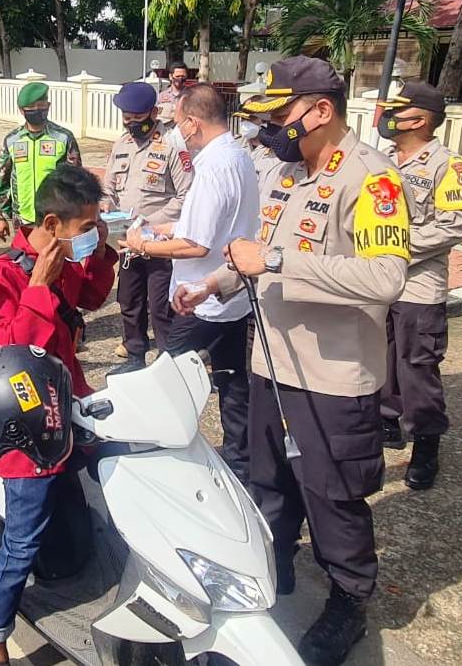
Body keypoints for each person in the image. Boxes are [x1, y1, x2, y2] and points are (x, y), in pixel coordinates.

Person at [176, 56, 410, 666]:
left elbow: (386, 278)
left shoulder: (372, 179)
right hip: (270, 363)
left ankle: (348, 601)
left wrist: (276, 263)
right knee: (269, 482)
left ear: (321, 110)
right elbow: (258, 254)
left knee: (333, 496)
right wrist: (213, 284)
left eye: (281, 116)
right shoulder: (284, 174)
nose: (271, 129)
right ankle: (274, 564)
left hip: (331, 377)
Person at [0, 163, 117, 666]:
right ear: (52, 225)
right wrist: (37, 286)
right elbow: (6, 355)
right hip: (27, 425)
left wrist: (100, 252)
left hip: (70, 404)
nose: (91, 235)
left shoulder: (67, 261)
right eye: (86, 227)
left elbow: (92, 298)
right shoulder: (3, 273)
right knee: (22, 539)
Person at [122, 84, 257, 480]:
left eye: (179, 122)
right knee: (232, 381)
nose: (176, 130)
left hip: (203, 297)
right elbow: (211, 224)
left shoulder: (213, 167)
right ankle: (240, 461)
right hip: (231, 292)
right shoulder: (238, 155)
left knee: (167, 378)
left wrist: (144, 245)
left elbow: (197, 245)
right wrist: (164, 228)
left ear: (193, 123)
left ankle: (161, 456)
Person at [375, 81, 462, 489]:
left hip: (418, 284)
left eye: (396, 111)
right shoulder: (382, 159)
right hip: (379, 280)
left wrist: (392, 247)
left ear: (419, 120)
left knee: (417, 368)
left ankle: (426, 443)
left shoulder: (447, 166)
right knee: (380, 357)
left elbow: (453, 227)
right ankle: (386, 422)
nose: (387, 117)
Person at [101, 81, 192, 373]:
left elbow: (186, 195)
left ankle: (168, 363)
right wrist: (105, 204)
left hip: (160, 243)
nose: (130, 122)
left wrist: (151, 223)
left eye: (137, 117)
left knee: (161, 306)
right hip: (128, 242)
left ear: (153, 112)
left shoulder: (173, 145)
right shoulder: (121, 145)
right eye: (126, 116)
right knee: (129, 301)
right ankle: (135, 357)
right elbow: (108, 188)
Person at [0, 81, 82, 240]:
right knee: (24, 256)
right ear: (21, 110)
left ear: (48, 106)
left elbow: (76, 180)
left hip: (55, 219)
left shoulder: (63, 138)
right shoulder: (12, 140)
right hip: (22, 220)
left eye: (41, 106)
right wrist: (0, 216)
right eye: (31, 107)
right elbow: (4, 180)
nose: (37, 110)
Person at [156, 60, 188, 127]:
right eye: (177, 76)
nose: (180, 79)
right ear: (171, 76)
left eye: (183, 76)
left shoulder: (191, 95)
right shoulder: (162, 96)